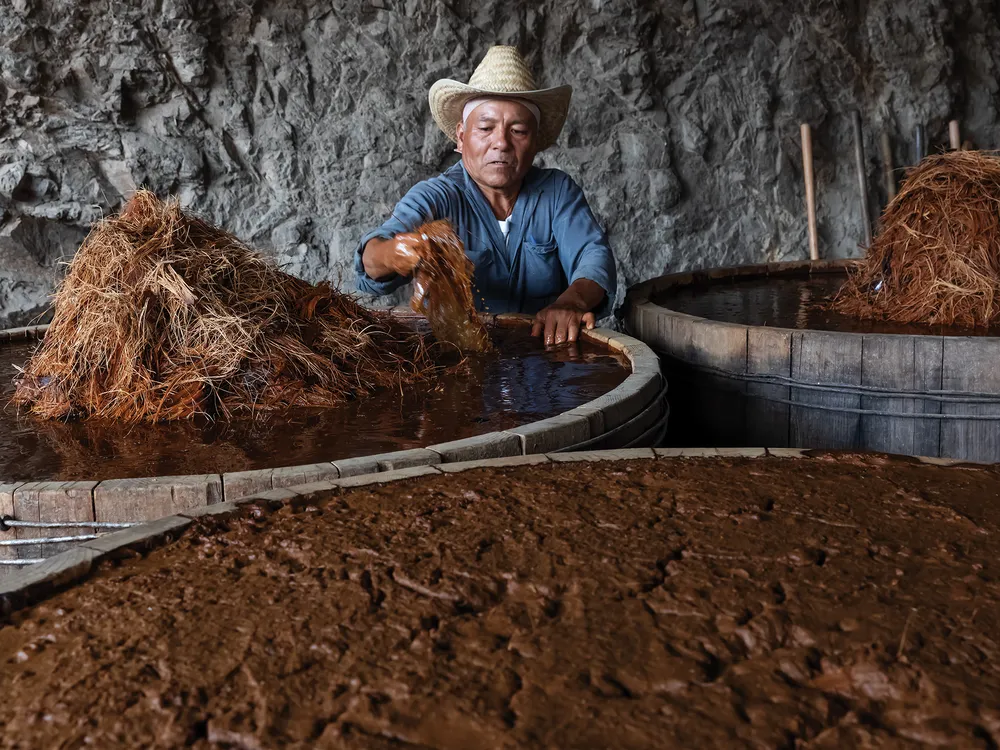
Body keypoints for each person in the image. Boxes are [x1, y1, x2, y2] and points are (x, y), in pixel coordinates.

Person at [355, 46, 616, 346]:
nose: (501, 143)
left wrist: (571, 302)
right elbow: (371, 260)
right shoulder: (437, 198)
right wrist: (397, 253)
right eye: (485, 128)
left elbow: (593, 257)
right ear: (462, 137)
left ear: (536, 143)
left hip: (545, 359)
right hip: (459, 364)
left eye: (517, 130)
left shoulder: (557, 193)